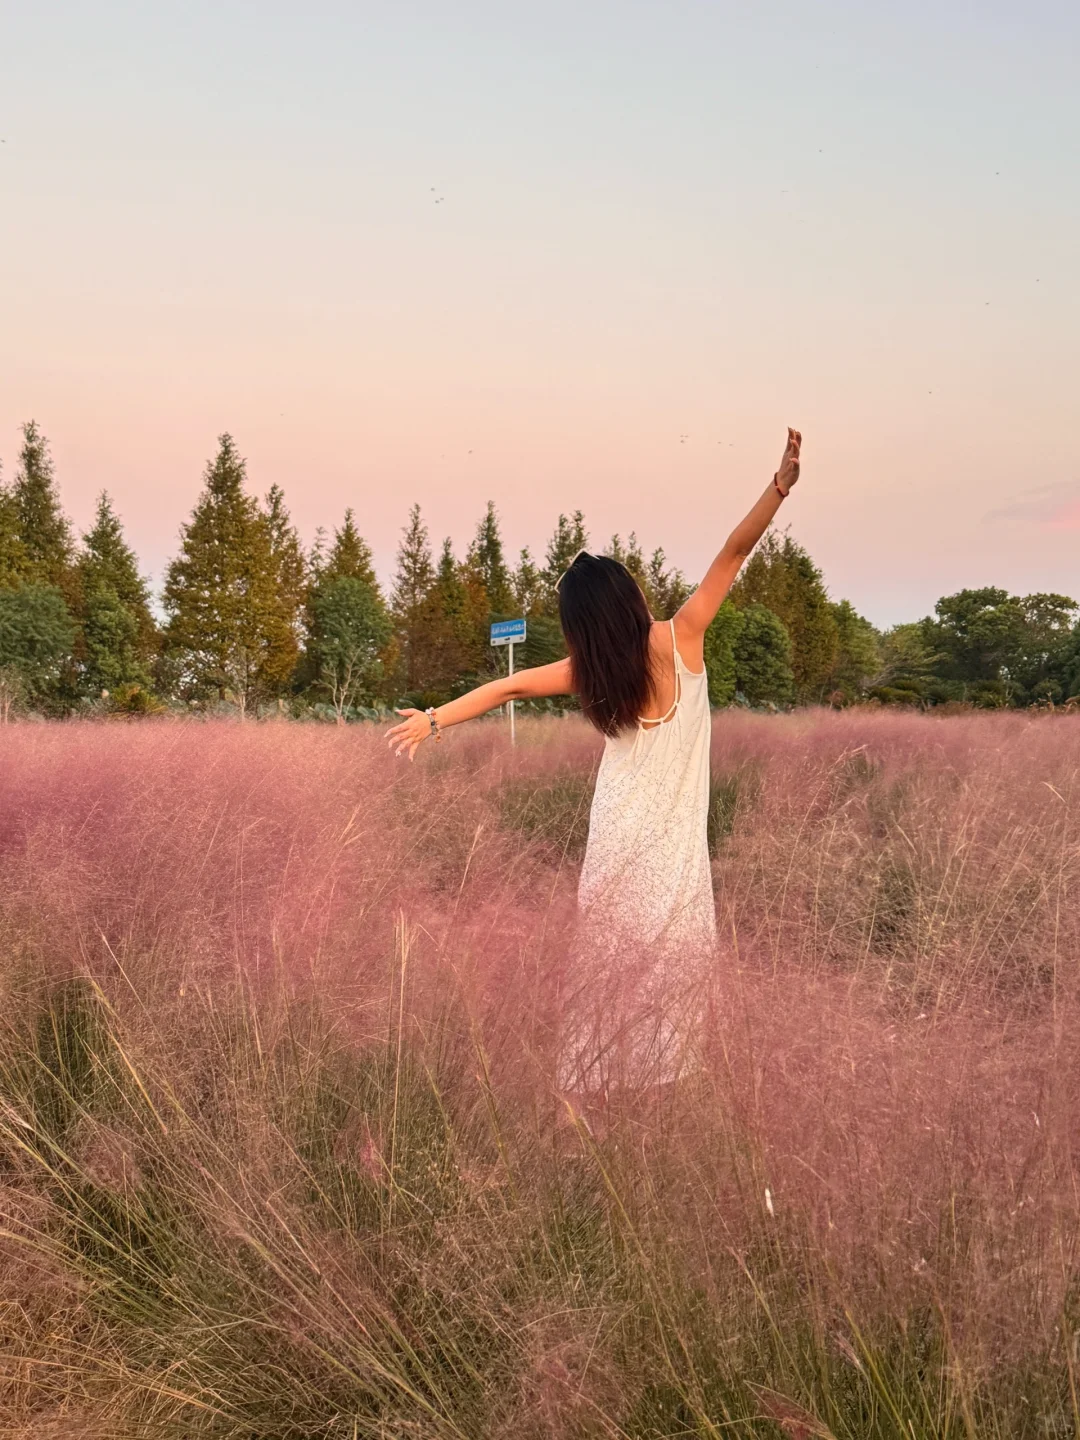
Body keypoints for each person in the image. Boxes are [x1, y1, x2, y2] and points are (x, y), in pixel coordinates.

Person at [387, 428, 803, 1091]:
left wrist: (434, 720)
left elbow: (508, 686)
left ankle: (583, 1098)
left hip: (616, 839)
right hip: (672, 852)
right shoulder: (682, 636)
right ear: (631, 598)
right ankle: (662, 1089)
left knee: (605, 974)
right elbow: (734, 551)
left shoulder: (589, 670)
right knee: (673, 971)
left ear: (582, 624)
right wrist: (778, 487)